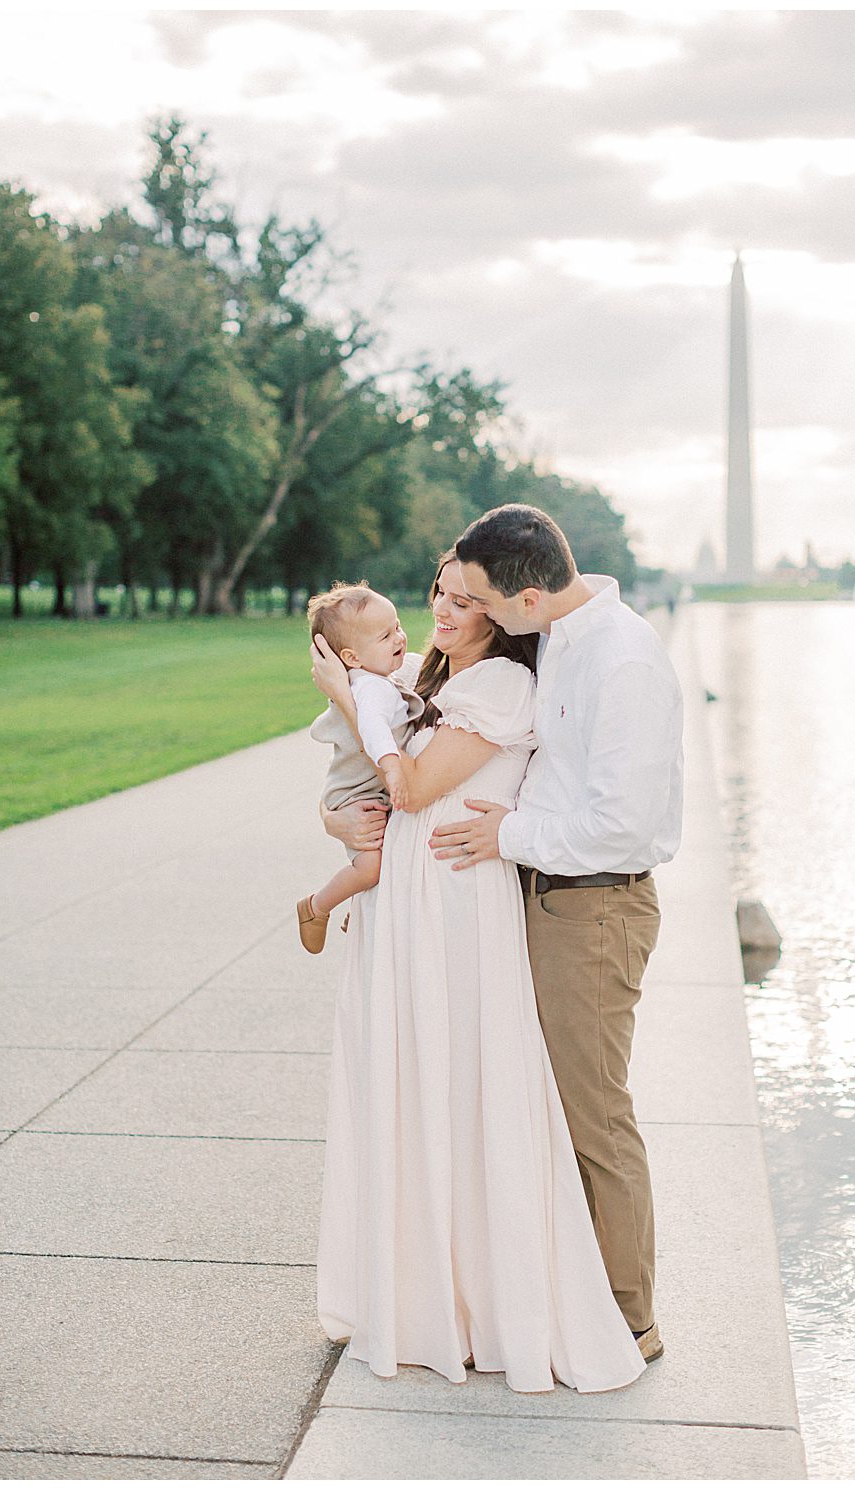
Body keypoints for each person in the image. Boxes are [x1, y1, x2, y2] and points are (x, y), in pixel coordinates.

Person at [310, 550, 647, 1394]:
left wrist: (346, 698)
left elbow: (416, 788)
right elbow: (363, 789)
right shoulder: (427, 681)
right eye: (437, 595)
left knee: (471, 1089)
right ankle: (431, 1299)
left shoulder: (500, 684)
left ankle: (505, 1302)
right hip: (413, 912)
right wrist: (339, 821)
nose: (443, 610)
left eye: (465, 600)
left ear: (501, 612)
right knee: (416, 1091)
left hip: (459, 914)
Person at [430, 504, 684, 1365]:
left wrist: (506, 835)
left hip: (595, 908)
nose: (483, 618)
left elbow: (619, 823)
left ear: (531, 595)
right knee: (540, 1109)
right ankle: (559, 1298)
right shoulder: (560, 644)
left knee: (592, 1115)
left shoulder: (623, 660)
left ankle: (628, 1321)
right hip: (541, 897)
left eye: (487, 603)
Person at [297, 583, 421, 954]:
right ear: (351, 657)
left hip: (366, 786)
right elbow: (370, 728)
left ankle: (363, 906)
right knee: (371, 866)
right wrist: (391, 765)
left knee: (394, 850)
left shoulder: (382, 677)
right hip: (356, 792)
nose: (399, 637)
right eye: (385, 635)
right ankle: (316, 907)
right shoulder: (370, 690)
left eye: (397, 626)